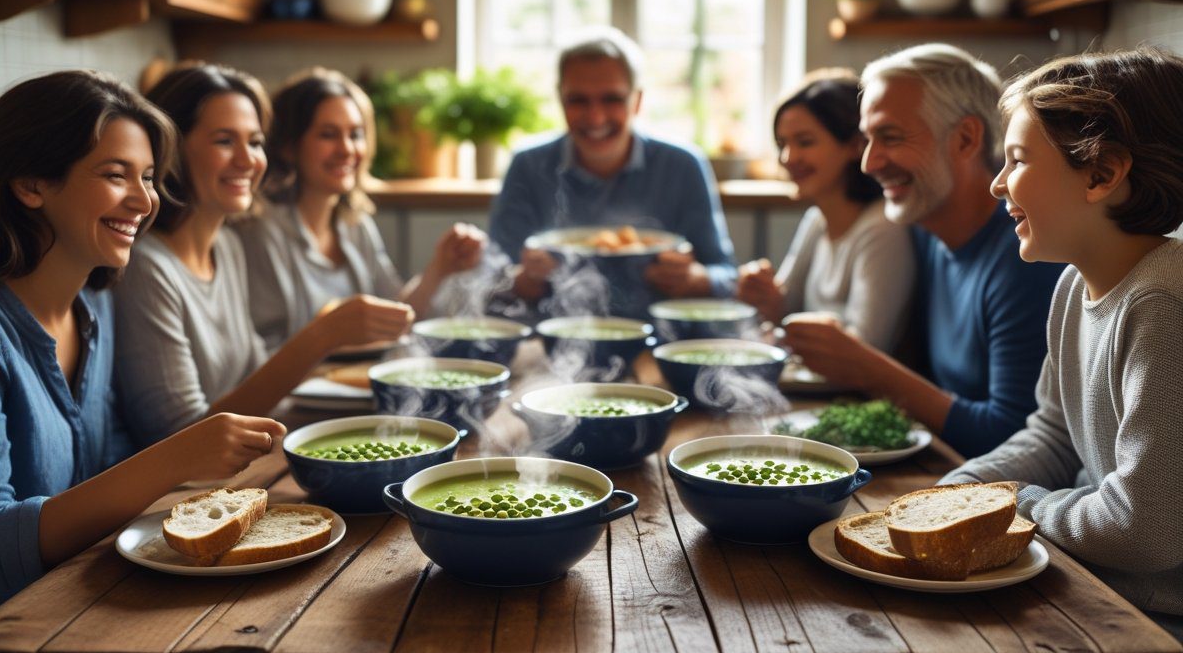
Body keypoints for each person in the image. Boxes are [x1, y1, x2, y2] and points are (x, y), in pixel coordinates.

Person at [0, 71, 284, 622]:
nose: (145, 201)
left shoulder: (94, 308)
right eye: (116, 176)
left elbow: (102, 471)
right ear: (30, 184)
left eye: (149, 177)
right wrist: (176, 456)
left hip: (83, 613)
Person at [938, 49, 1183, 653]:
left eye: (1018, 160)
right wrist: (959, 489)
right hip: (1099, 594)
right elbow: (1052, 435)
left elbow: (1145, 531)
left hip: (1154, 641)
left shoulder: (1162, 307)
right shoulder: (1075, 285)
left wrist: (1017, 503)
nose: (998, 184)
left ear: (1101, 175)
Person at [781, 44, 1063, 457]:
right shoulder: (925, 232)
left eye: (890, 137)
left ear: (966, 138)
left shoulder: (1026, 257)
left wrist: (869, 368)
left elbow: (1012, 437)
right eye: (867, 139)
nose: (869, 162)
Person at [113, 64, 413, 445]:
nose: (247, 160)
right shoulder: (147, 267)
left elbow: (259, 383)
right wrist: (323, 335)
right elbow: (181, 439)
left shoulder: (227, 247)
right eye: (224, 141)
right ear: (170, 150)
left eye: (255, 143)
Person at [488, 27, 737, 320]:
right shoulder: (529, 164)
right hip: (556, 337)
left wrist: (694, 279)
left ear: (637, 100)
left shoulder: (683, 165)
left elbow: (726, 276)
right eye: (578, 100)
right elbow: (493, 278)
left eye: (612, 99)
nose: (595, 117)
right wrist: (526, 279)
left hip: (659, 336)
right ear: (560, 100)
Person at [237, 67, 485, 350]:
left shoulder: (354, 223)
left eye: (355, 134)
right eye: (328, 135)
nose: (347, 149)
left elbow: (396, 317)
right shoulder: (260, 230)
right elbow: (262, 352)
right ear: (289, 145)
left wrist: (440, 268)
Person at [737, 69, 915, 353]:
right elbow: (783, 312)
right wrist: (763, 294)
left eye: (805, 142)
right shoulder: (817, 220)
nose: (788, 158)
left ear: (855, 146)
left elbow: (867, 350)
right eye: (782, 144)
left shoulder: (882, 228)